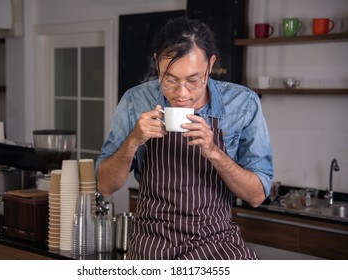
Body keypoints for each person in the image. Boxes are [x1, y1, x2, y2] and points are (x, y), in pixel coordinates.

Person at [95, 16, 274, 260]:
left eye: (193, 80)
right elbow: (105, 185)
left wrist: (214, 152)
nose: (181, 93)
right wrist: (133, 140)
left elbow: (257, 196)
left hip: (216, 245)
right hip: (153, 247)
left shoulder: (243, 104)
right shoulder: (134, 101)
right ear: (157, 63)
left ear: (210, 65)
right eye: (170, 80)